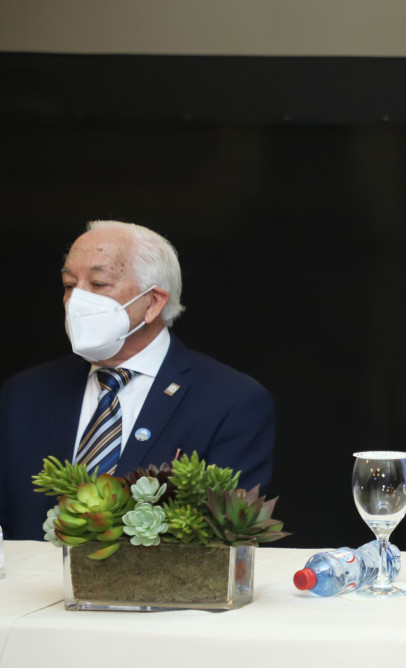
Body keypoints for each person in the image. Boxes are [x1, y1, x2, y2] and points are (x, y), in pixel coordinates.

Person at [0, 220, 274, 540]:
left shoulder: (231, 401)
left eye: (98, 284)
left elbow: (223, 539)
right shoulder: (24, 394)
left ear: (153, 302)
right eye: (69, 284)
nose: (76, 301)